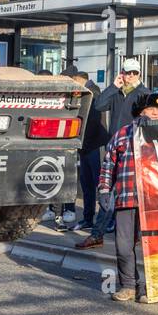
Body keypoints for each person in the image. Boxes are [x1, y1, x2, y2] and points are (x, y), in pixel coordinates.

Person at [99, 91, 158, 303]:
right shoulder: (122, 134)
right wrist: (103, 190)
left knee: (151, 247)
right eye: (151, 109)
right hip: (126, 198)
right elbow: (108, 164)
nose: (156, 113)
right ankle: (128, 285)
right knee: (123, 245)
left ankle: (147, 288)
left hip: (155, 202)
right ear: (140, 111)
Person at [78, 57, 150, 249]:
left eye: (134, 73)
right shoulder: (117, 92)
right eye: (127, 72)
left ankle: (118, 234)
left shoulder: (144, 93)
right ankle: (98, 234)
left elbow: (150, 120)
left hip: (133, 150)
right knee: (108, 192)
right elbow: (99, 105)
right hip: (113, 149)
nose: (130, 77)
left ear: (139, 74)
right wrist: (112, 86)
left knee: (131, 195)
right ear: (122, 73)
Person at [62, 67, 106, 234]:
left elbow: (93, 122)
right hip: (86, 146)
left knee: (98, 184)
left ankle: (101, 220)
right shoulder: (82, 91)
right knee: (86, 184)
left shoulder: (92, 92)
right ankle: (88, 218)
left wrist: (81, 142)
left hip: (93, 145)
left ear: (77, 78)